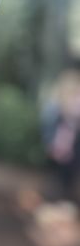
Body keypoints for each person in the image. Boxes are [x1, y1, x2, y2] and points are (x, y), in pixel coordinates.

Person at [41, 63, 80, 202]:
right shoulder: (55, 105)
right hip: (61, 148)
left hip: (70, 150)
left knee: (66, 179)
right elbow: (49, 125)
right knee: (59, 179)